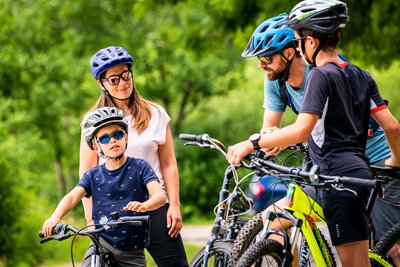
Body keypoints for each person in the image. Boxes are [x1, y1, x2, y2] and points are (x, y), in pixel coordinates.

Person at [227, 1, 400, 266]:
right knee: (277, 215)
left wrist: (254, 142)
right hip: (352, 170)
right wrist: (271, 137)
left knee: (389, 251)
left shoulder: (319, 75)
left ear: (308, 43)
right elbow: (393, 126)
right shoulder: (359, 74)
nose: (262, 65)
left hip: (346, 170)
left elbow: (303, 129)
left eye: (298, 41)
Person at [80, 46, 188, 266]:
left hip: (155, 208)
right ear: (101, 84)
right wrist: (90, 219)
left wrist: (174, 205)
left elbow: (168, 164)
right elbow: (86, 173)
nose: (122, 83)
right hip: (111, 214)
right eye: (114, 79)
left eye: (125, 74)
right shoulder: (91, 121)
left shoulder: (156, 113)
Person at [42, 107, 166, 267]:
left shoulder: (140, 167)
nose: (112, 140)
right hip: (101, 243)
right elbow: (72, 196)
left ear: (126, 137)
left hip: (132, 250)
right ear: (96, 146)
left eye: (117, 134)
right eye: (105, 138)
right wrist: (55, 217)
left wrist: (144, 206)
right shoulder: (92, 175)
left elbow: (159, 196)